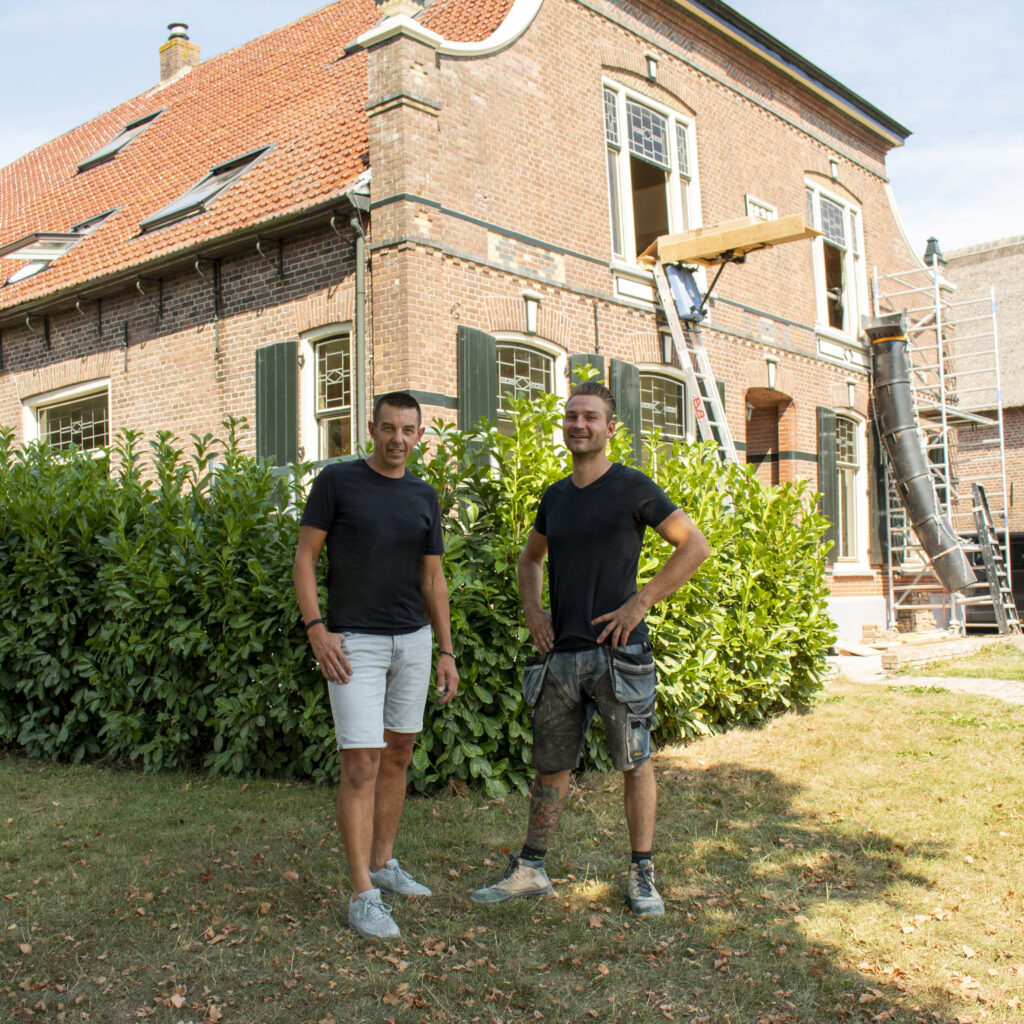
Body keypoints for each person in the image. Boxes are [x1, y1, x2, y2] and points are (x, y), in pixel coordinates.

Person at [471, 380, 709, 916]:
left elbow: (694, 545)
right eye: (572, 416)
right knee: (550, 765)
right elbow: (530, 560)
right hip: (562, 657)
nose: (579, 425)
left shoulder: (632, 488)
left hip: (619, 654)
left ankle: (642, 875)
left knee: (635, 761)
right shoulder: (554, 497)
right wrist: (534, 612)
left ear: (610, 428)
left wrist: (640, 602)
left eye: (591, 417)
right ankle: (531, 870)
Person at [293, 391, 459, 941]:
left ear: (419, 435)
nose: (397, 439)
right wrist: (317, 630)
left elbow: (433, 579)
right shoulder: (337, 483)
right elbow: (305, 559)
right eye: (387, 428)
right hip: (353, 644)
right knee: (360, 765)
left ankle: (384, 865)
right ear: (371, 428)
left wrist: (446, 649)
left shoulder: (423, 495)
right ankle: (362, 893)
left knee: (399, 753)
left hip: (411, 642)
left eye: (407, 430)